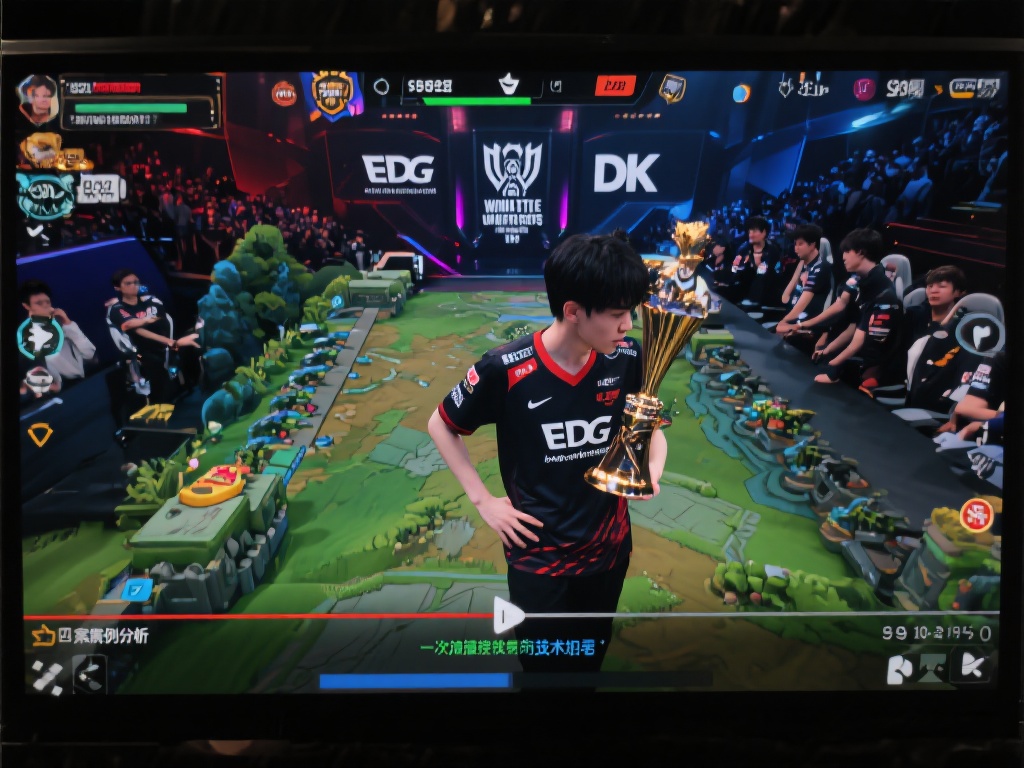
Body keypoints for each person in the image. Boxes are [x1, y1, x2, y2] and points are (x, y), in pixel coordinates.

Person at [427, 231, 665, 677]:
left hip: (610, 550)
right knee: (545, 669)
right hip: (538, 557)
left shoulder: (627, 358)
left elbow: (648, 423)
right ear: (573, 311)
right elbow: (441, 424)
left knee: (588, 661)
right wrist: (483, 501)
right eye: (617, 314)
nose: (628, 325)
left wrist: (653, 467)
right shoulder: (505, 368)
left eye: (630, 312)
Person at [809, 229, 904, 393]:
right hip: (857, 356)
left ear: (861, 252)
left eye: (847, 251)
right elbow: (854, 325)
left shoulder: (883, 295)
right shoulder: (860, 280)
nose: (843, 257)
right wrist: (827, 350)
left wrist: (833, 368)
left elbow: (862, 342)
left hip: (871, 369)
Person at [106, 269, 199, 404]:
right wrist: (148, 321)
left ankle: (192, 385)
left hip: (166, 342)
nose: (134, 285)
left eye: (136, 282)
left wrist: (169, 340)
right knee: (155, 370)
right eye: (128, 283)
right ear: (117, 287)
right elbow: (130, 326)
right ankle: (158, 402)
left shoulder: (151, 300)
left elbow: (161, 317)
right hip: (142, 351)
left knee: (193, 343)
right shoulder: (117, 309)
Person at [19, 279, 97, 391]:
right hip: (62, 391)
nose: (45, 306)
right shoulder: (25, 337)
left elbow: (89, 354)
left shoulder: (61, 322)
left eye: (47, 302)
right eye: (39, 303)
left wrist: (68, 324)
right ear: (26, 306)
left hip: (87, 379)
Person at [774, 223, 833, 351]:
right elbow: (787, 296)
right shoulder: (804, 264)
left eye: (800, 244)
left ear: (812, 245)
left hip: (808, 329)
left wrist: (784, 321)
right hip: (795, 323)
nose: (796, 248)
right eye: (795, 244)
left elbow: (804, 301)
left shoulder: (820, 267)